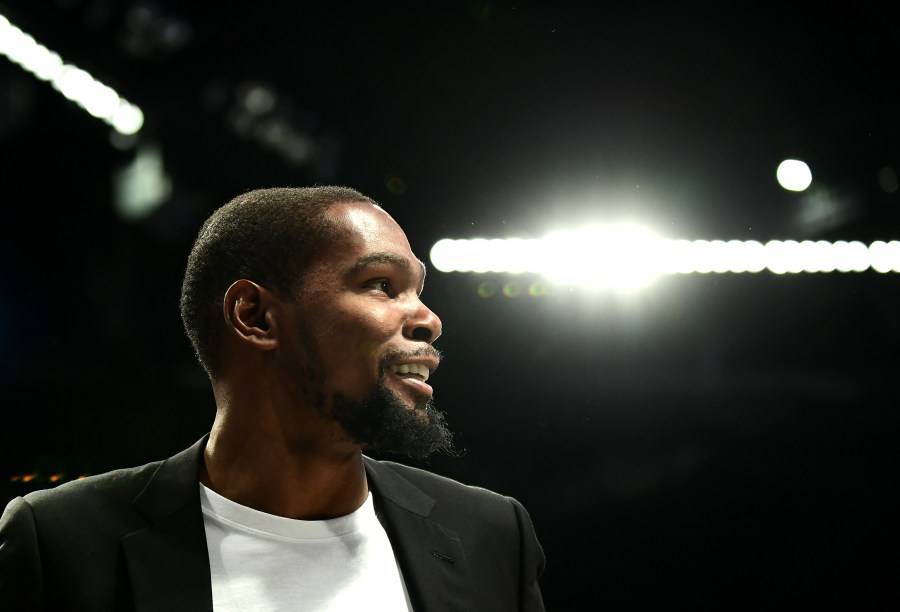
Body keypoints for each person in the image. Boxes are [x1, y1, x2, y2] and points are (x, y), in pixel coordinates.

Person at [0, 186, 546, 611]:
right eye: (382, 284)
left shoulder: (490, 535)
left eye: (419, 292)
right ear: (256, 317)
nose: (429, 320)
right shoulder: (64, 545)